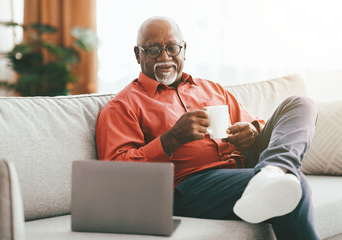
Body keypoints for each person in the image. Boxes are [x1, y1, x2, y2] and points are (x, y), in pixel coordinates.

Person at [96, 16, 320, 240]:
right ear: (138, 54)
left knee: (300, 103)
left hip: (245, 165)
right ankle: (276, 175)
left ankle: (274, 170)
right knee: (291, 183)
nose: (164, 57)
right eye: (153, 49)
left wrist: (252, 132)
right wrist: (172, 138)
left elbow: (259, 125)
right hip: (190, 185)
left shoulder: (211, 88)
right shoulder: (123, 106)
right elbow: (117, 175)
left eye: (172, 48)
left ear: (184, 50)